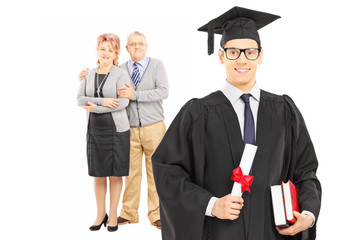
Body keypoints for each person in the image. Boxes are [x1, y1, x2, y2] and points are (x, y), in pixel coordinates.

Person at [152, 6, 321, 240]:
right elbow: (167, 170)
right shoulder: (198, 113)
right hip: (220, 232)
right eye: (233, 52)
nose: (242, 59)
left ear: (261, 55)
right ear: (221, 56)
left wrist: (308, 214)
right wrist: (211, 205)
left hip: (272, 232)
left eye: (250, 51)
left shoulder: (284, 110)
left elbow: (306, 171)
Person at [79, 31, 169, 229]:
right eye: (133, 44)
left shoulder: (157, 65)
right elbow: (102, 82)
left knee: (155, 172)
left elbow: (163, 91)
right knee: (130, 172)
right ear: (126, 49)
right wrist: (84, 76)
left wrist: (134, 94)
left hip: (154, 126)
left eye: (141, 44)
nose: (137, 47)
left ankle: (156, 214)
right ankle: (128, 213)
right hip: (128, 128)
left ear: (146, 46)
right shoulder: (120, 69)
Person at [77, 33, 132, 232]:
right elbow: (80, 99)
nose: (106, 53)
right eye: (103, 49)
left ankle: (113, 215)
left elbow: (124, 102)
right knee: (98, 174)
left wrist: (97, 107)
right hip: (95, 130)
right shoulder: (88, 74)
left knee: (115, 174)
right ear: (97, 50)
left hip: (117, 131)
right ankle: (100, 214)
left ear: (116, 52)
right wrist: (104, 102)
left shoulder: (121, 74)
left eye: (110, 50)